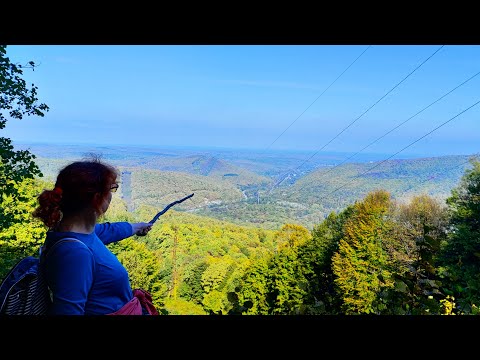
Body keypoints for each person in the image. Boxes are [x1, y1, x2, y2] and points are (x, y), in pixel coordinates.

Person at [32, 156, 157, 315]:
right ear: (97, 198)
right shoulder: (75, 252)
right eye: (111, 189)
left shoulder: (74, 232)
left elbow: (109, 231)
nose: (112, 194)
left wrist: (137, 226)